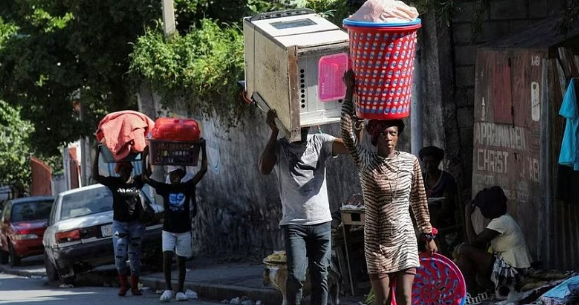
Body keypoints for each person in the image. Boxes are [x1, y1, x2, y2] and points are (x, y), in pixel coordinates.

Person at [340, 70, 437, 305]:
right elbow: (346, 133)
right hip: (376, 240)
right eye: (383, 134)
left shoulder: (409, 161)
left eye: (393, 133)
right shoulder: (365, 160)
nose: (389, 138)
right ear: (375, 138)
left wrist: (427, 233)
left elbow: (418, 199)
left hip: (404, 236)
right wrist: (349, 90)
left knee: (405, 297)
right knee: (383, 300)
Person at [259, 109, 348, 305]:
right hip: (294, 224)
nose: (301, 127)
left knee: (320, 276)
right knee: (296, 276)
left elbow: (350, 147)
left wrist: (352, 121)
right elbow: (264, 168)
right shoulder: (280, 147)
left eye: (305, 122)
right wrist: (273, 132)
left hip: (322, 222)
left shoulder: (321, 141)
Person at [142, 141, 207, 302]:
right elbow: (144, 177)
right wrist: (145, 156)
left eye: (178, 174)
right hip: (168, 230)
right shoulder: (165, 188)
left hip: (184, 230)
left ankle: (179, 290)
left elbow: (203, 169)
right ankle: (168, 289)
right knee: (166, 258)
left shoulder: (186, 186)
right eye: (173, 175)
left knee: (181, 261)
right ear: (169, 177)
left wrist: (203, 148)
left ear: (181, 175)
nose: (176, 177)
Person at [456, 186, 533, 302]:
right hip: (509, 269)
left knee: (464, 250)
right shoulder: (501, 220)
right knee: (464, 258)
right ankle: (475, 295)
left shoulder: (502, 221)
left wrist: (467, 216)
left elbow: (473, 241)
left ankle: (474, 294)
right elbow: (477, 245)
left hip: (516, 273)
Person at [92, 146, 147, 297]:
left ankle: (134, 287)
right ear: (118, 171)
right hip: (120, 224)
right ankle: (124, 285)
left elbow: (148, 172)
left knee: (134, 255)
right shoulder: (114, 183)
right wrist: (97, 154)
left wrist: (146, 154)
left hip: (136, 224)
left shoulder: (137, 182)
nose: (124, 173)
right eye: (121, 171)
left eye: (127, 170)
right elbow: (95, 175)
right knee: (120, 254)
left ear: (131, 170)